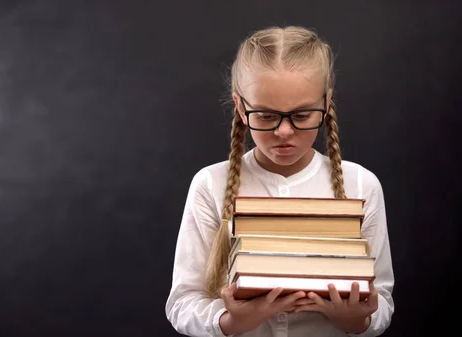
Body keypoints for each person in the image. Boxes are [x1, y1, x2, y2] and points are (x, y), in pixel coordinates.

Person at [164, 26, 395, 337]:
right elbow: (182, 302)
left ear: (325, 105)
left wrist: (356, 320)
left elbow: (381, 302)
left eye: (302, 116)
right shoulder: (209, 184)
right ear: (241, 108)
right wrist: (231, 321)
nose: (284, 132)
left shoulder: (362, 185)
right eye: (265, 115)